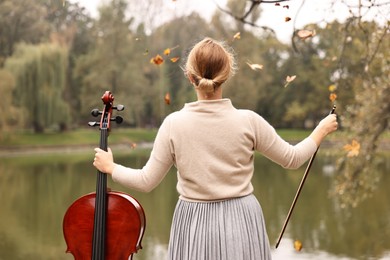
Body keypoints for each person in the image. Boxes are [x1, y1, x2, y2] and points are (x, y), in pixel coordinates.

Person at [93, 37, 338, 260]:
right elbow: (293, 159)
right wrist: (321, 130)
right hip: (242, 220)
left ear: (190, 77)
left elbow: (146, 181)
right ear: (227, 74)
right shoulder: (248, 121)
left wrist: (111, 167)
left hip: (193, 223)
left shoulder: (173, 124)